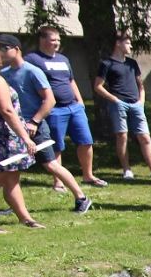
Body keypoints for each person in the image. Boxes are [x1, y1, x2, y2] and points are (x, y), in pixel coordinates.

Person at [0, 34, 92, 214]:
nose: (0, 53)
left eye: (4, 48)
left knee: (50, 164)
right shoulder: (3, 74)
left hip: (35, 126)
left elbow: (50, 100)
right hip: (14, 129)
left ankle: (81, 197)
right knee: (8, 170)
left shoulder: (32, 71)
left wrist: (34, 121)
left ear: (17, 49)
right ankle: (16, 206)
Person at [24, 26, 107, 189]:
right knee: (57, 145)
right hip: (54, 110)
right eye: (53, 40)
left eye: (58, 40)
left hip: (74, 107)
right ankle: (58, 181)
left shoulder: (63, 59)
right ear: (42, 39)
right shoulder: (32, 59)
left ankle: (88, 175)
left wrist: (80, 101)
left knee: (86, 141)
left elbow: (71, 80)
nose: (56, 43)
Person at [93, 31, 151, 182]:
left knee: (145, 137)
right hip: (118, 104)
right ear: (118, 43)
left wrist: (141, 100)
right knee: (122, 136)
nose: (130, 45)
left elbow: (141, 85)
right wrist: (114, 100)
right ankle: (127, 169)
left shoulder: (132, 63)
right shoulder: (106, 64)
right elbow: (98, 86)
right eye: (127, 42)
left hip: (136, 104)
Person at [0, 72, 43, 230]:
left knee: (11, 179)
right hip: (3, 138)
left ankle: (25, 218)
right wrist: (26, 138)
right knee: (3, 178)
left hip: (7, 138)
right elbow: (7, 110)